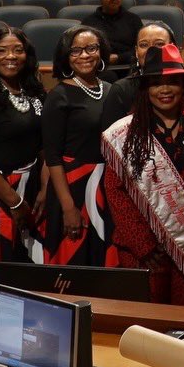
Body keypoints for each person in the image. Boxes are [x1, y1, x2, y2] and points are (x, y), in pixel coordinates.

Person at [102, 44, 184, 306]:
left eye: (172, 82)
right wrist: (144, 245)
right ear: (145, 89)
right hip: (143, 252)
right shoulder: (125, 131)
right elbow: (115, 190)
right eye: (156, 83)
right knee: (147, 319)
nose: (165, 90)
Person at [41, 25, 121, 267]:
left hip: (107, 184)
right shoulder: (59, 95)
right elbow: (52, 157)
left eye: (91, 48)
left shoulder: (111, 90)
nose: (84, 55)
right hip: (73, 186)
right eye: (75, 51)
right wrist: (68, 207)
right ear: (66, 56)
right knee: (75, 262)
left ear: (101, 51)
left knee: (104, 259)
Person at [0, 26, 47, 267]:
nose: (11, 56)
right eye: (2, 51)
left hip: (32, 187)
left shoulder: (34, 91)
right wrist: (15, 203)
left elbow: (44, 143)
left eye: (18, 50)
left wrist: (44, 187)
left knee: (27, 268)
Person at [81, 0, 144, 73]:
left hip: (129, 66)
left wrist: (119, 58)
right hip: (98, 68)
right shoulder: (89, 22)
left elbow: (141, 47)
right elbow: (84, 48)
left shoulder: (133, 20)